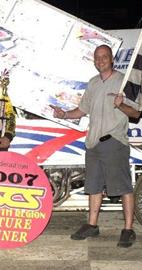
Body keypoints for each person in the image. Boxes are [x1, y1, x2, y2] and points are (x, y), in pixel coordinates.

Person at [51, 45, 136, 248]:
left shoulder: (124, 81)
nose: (100, 61)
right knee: (94, 186)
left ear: (112, 59)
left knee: (123, 186)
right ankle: (92, 225)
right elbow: (81, 110)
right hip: (93, 144)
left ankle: (128, 229)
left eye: (104, 57)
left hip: (114, 141)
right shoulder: (93, 83)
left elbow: (135, 114)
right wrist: (63, 114)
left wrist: (120, 104)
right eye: (97, 58)